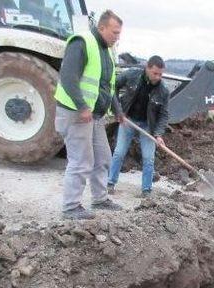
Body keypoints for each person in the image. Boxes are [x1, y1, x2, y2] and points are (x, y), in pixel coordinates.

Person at [55, 10, 124, 220]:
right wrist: (82, 106)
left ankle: (100, 199)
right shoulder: (82, 42)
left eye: (119, 33)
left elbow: (107, 87)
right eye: (114, 32)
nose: (117, 37)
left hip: (93, 116)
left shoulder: (108, 52)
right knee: (81, 160)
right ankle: (71, 207)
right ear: (101, 27)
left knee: (103, 157)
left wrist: (118, 111)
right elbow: (68, 77)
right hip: (76, 113)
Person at [107, 55, 170, 197]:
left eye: (160, 74)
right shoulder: (132, 75)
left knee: (148, 158)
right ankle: (110, 183)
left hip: (148, 125)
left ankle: (146, 190)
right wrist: (117, 110)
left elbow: (163, 115)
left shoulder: (163, 91)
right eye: (155, 73)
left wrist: (158, 134)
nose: (158, 77)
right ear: (147, 68)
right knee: (119, 152)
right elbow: (113, 86)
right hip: (127, 120)